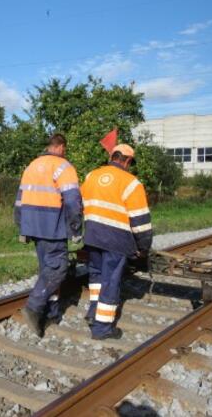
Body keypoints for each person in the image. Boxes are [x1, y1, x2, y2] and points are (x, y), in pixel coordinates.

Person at [80, 144, 152, 340]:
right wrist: (143, 248)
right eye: (131, 162)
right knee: (111, 281)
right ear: (127, 160)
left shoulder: (91, 176)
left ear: (112, 156)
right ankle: (102, 328)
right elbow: (140, 221)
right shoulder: (131, 183)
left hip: (92, 236)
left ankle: (93, 313)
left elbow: (81, 205)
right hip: (116, 240)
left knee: (96, 276)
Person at [14, 133, 83, 337]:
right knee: (58, 269)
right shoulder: (64, 167)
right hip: (53, 226)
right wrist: (76, 230)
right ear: (61, 147)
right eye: (65, 149)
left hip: (33, 225)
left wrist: (21, 225)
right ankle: (33, 307)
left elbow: (19, 199)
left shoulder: (32, 166)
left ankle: (51, 313)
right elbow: (72, 202)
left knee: (47, 269)